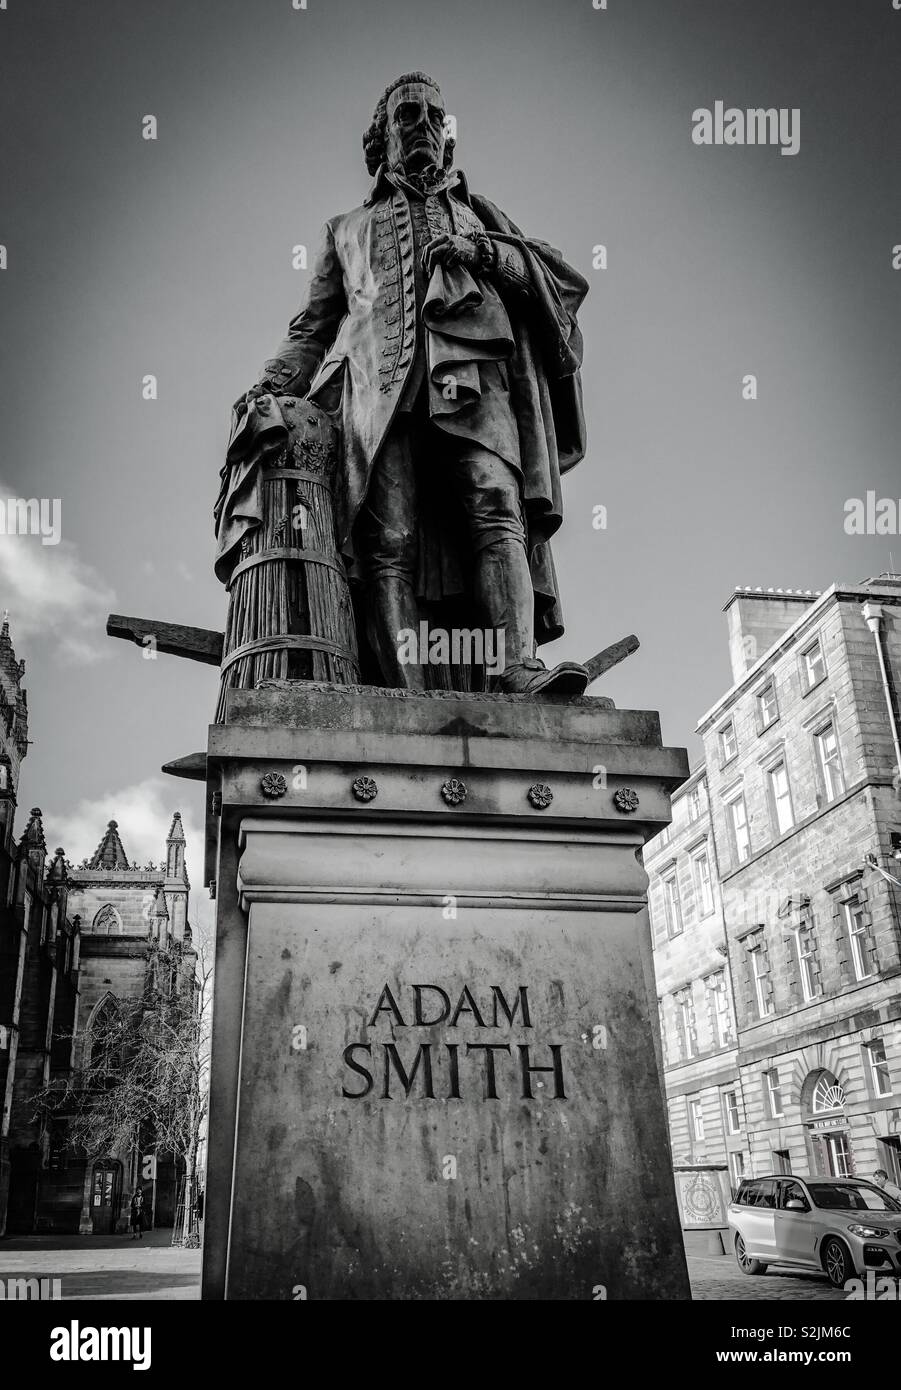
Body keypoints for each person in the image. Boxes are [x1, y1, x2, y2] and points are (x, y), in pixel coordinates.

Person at [221, 72, 591, 698]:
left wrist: (487, 254)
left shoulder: (484, 218)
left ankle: (515, 668)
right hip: (377, 395)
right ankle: (404, 691)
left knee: (498, 509)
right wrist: (267, 386)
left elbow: (559, 285)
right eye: (407, 115)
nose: (421, 125)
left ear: (448, 139)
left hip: (473, 379)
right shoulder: (344, 230)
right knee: (388, 541)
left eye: (434, 117)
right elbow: (312, 330)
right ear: (382, 138)